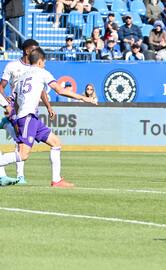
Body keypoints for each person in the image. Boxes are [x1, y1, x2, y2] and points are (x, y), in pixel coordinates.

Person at [0, 48, 97, 187]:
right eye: (44, 62)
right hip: (28, 117)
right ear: (40, 61)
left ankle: (56, 180)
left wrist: (16, 119)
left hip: (28, 117)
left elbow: (16, 101)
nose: (45, 64)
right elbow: (60, 90)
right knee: (23, 155)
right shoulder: (42, 73)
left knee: (56, 142)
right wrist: (84, 98)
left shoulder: (21, 77)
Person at [0, 39, 55, 185]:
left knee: (20, 141)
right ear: (27, 51)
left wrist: (48, 106)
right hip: (15, 107)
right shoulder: (12, 66)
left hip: (29, 109)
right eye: (34, 49)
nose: (37, 52)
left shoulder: (36, 69)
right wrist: (7, 104)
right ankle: (15, 176)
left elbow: (41, 89)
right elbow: (1, 86)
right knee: (20, 140)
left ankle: (20, 176)